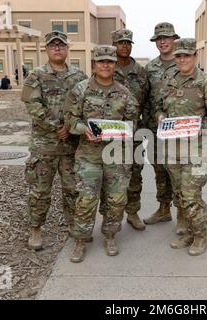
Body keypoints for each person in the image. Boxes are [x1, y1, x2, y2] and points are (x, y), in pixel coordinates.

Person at [63, 45, 139, 263]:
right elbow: (70, 119)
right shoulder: (81, 90)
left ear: (115, 65)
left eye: (110, 61)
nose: (105, 65)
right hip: (89, 156)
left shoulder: (124, 93)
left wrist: (124, 129)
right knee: (86, 200)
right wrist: (82, 129)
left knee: (116, 199)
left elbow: (133, 121)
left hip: (116, 155)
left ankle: (110, 235)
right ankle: (81, 240)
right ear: (94, 64)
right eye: (101, 61)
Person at [156, 38, 207, 256]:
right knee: (180, 194)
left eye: (187, 55)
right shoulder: (168, 80)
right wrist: (161, 117)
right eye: (179, 55)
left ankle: (201, 236)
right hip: (173, 150)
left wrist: (193, 126)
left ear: (195, 56)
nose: (183, 59)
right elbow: (159, 107)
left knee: (190, 193)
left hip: (197, 150)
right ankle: (190, 232)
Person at [21, 30, 88, 251]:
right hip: (45, 147)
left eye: (61, 45)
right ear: (46, 49)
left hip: (71, 146)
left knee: (73, 190)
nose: (57, 48)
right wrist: (56, 126)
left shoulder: (79, 77)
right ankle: (36, 229)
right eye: (52, 45)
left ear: (68, 49)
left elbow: (85, 106)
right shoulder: (36, 76)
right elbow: (33, 106)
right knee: (40, 191)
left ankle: (73, 225)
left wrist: (71, 127)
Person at [143, 22, 185, 235]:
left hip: (178, 131)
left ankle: (182, 215)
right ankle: (163, 208)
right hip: (155, 128)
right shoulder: (150, 68)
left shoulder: (183, 62)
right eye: (159, 38)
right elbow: (146, 98)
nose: (163, 41)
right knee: (160, 170)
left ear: (174, 39)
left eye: (166, 37)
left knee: (177, 173)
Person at [111, 28, 148, 231]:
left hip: (135, 133)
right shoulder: (106, 67)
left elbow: (148, 101)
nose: (124, 46)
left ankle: (133, 213)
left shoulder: (141, 72)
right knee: (113, 176)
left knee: (135, 174)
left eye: (127, 43)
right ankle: (112, 217)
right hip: (112, 135)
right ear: (114, 45)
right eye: (120, 42)